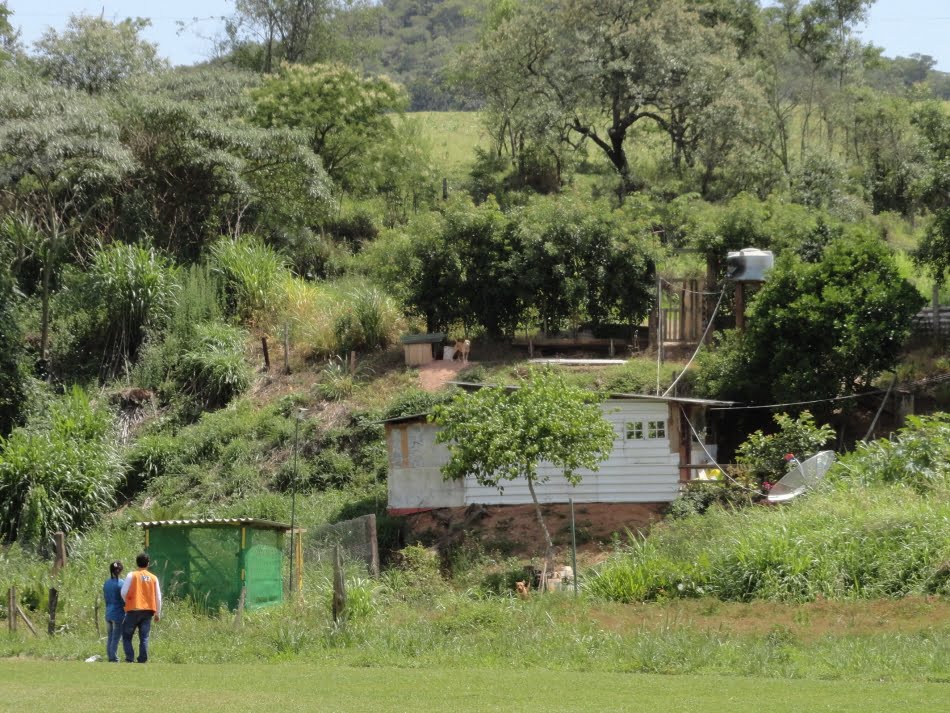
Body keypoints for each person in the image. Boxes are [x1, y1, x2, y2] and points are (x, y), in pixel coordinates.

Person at [120, 552, 162, 663]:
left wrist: (127, 601)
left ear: (137, 563)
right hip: (148, 611)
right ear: (148, 563)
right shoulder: (153, 578)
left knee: (127, 636)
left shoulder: (131, 575)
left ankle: (130, 658)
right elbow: (158, 597)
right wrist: (157, 613)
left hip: (133, 610)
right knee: (144, 637)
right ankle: (143, 659)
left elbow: (123, 592)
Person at [103, 560, 125, 662]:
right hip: (118, 613)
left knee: (110, 636)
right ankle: (113, 657)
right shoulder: (121, 583)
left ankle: (110, 655)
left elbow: (106, 598)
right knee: (116, 637)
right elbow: (123, 600)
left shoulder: (106, 583)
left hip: (108, 612)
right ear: (120, 571)